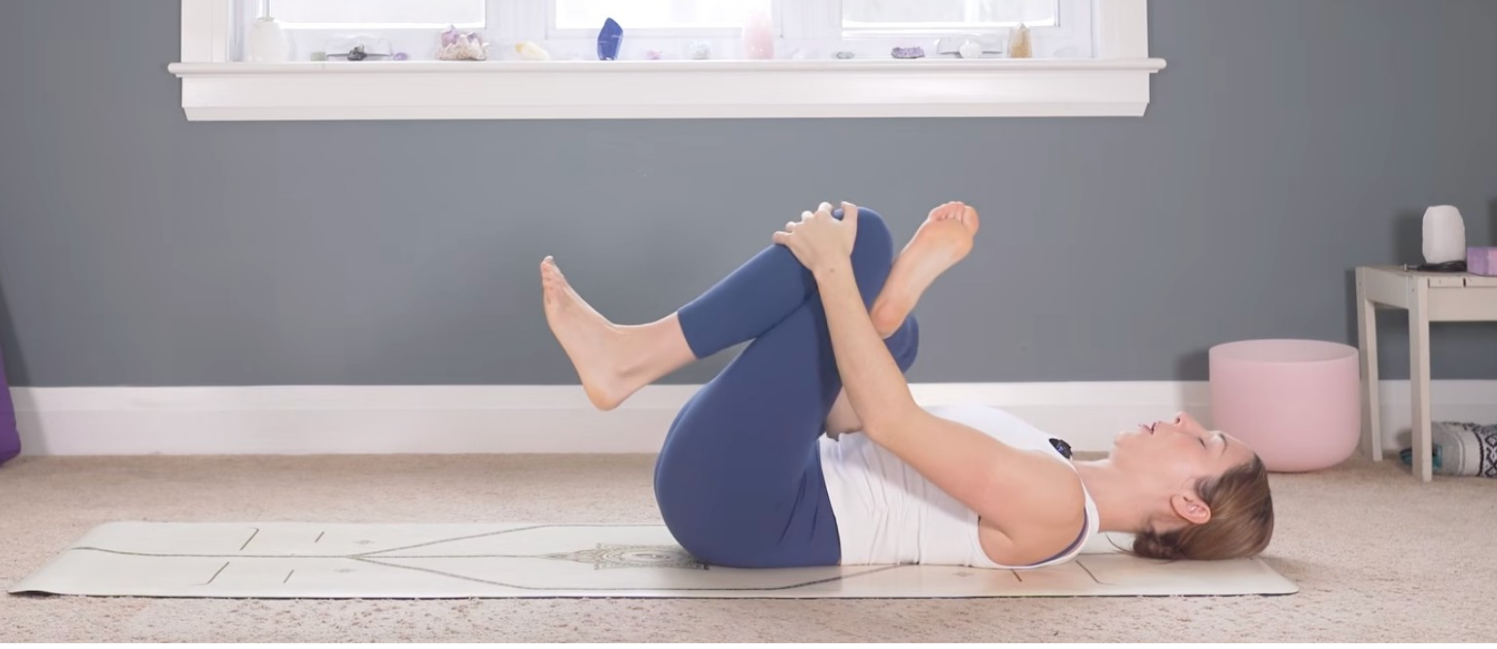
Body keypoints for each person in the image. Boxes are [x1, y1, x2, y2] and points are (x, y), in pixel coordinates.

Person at [540, 200, 1274, 570]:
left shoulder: (1058, 507)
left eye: (1203, 441)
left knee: (860, 246)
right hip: (754, 480)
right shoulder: (1052, 465)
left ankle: (631, 358)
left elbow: (889, 422)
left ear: (1188, 505)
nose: (1184, 421)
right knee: (892, 327)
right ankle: (886, 309)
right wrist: (878, 314)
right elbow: (846, 416)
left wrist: (832, 271)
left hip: (743, 512)